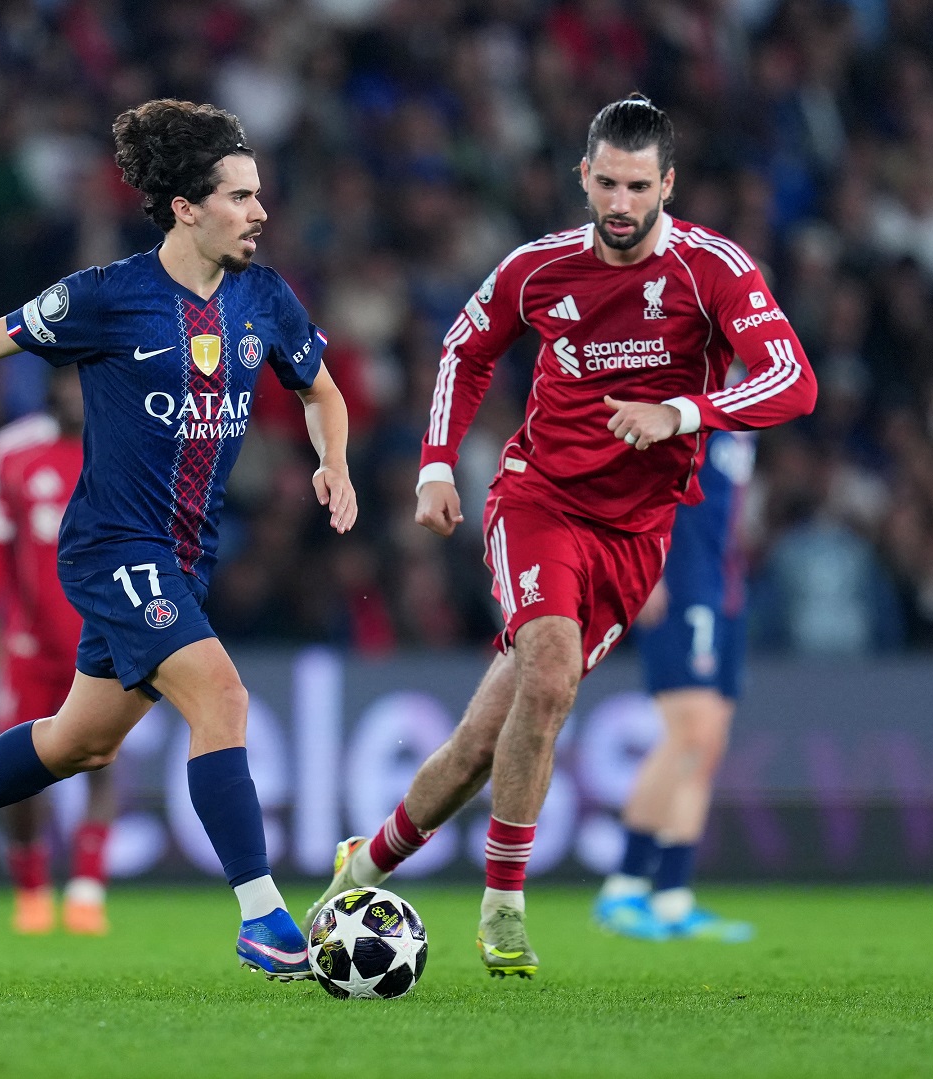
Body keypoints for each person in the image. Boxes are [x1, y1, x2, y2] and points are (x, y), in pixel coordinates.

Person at [0, 99, 356, 981]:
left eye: (259, 194)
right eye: (240, 196)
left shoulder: (264, 298)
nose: (259, 211)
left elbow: (322, 390)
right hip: (112, 548)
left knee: (82, 742)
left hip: (186, 560)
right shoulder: (109, 297)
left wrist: (335, 463)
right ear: (187, 207)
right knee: (222, 699)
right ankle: (263, 918)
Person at [305, 95, 815, 978]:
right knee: (549, 669)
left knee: (480, 742)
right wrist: (435, 463)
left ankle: (362, 864)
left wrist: (682, 411)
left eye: (639, 187)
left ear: (668, 184)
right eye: (607, 183)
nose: (621, 204)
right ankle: (504, 908)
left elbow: (793, 382)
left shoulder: (710, 269)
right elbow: (466, 350)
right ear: (584, 175)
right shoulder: (538, 268)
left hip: (638, 534)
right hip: (538, 499)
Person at [0, 367, 118, 936]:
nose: (76, 394)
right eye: (66, 383)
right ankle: (31, 890)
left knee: (104, 758)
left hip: (101, 634)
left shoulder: (116, 440)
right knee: (20, 775)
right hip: (29, 645)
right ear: (50, 387)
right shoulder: (10, 451)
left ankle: (86, 889)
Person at [595, 428, 756, 943]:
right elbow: (631, 478)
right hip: (680, 582)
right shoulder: (681, 391)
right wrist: (642, 569)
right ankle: (622, 888)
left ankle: (671, 895)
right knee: (689, 733)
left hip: (724, 588)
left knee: (707, 746)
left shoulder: (743, 407)